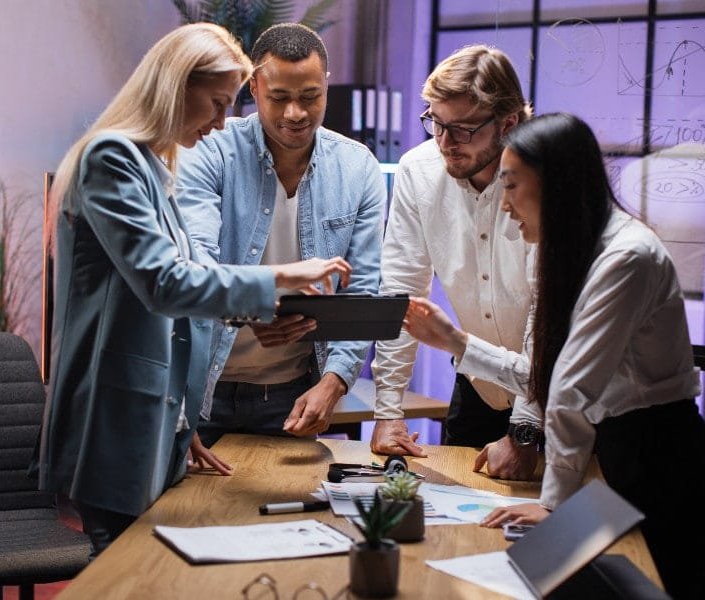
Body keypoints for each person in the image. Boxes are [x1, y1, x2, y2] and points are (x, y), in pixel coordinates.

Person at [34, 23, 353, 557]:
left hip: (149, 416)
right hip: (113, 418)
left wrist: (178, 418)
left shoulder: (154, 166)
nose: (221, 122)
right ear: (175, 87)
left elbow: (175, 308)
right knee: (125, 574)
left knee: (147, 569)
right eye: (217, 103)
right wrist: (282, 277)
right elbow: (165, 284)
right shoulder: (110, 159)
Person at [403, 113, 705, 600]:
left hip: (663, 462)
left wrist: (554, 507)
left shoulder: (627, 257)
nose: (505, 205)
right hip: (617, 454)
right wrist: (454, 341)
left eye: (511, 186)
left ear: (556, 184)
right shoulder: (564, 252)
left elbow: (571, 389)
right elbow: (542, 377)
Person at [177, 23, 386, 450]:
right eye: (279, 98)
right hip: (199, 390)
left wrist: (335, 381)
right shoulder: (211, 149)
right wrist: (261, 304)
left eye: (310, 97)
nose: (296, 113)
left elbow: (362, 289)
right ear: (253, 87)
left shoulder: (358, 167)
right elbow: (197, 266)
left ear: (326, 86)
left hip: (293, 393)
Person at [371, 45, 541, 481]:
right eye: (435, 123)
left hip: (548, 398)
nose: (445, 144)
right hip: (476, 385)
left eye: (463, 130)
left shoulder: (543, 178)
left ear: (508, 123)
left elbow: (548, 328)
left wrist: (525, 431)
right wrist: (389, 410)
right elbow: (401, 289)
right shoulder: (418, 170)